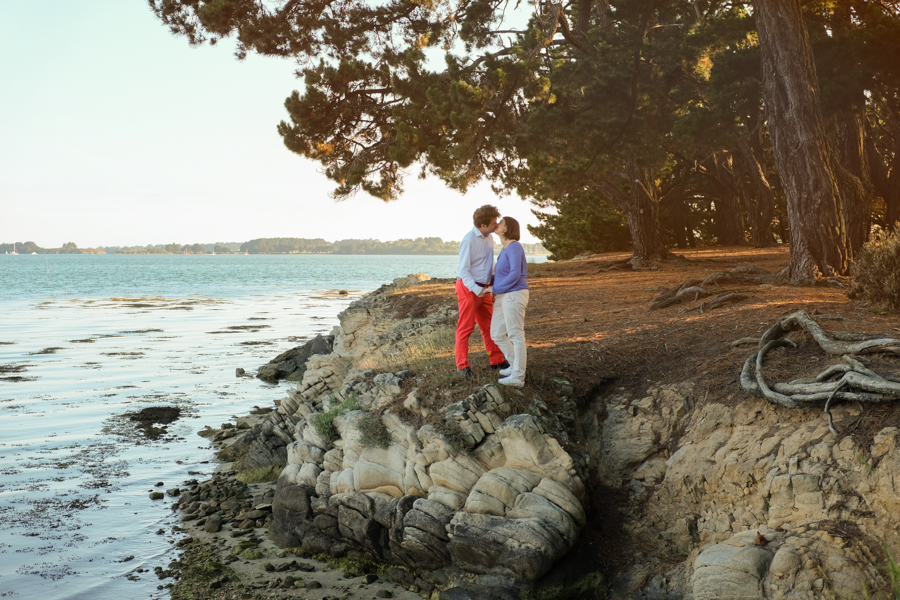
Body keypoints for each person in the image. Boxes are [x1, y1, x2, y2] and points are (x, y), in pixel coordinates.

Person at [455, 205, 509, 378]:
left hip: (483, 289)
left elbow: (487, 264)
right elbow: (464, 271)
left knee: (490, 326)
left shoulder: (489, 239)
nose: (496, 225)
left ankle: (497, 360)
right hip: (468, 288)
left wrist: (491, 283)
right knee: (466, 328)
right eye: (494, 223)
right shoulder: (468, 240)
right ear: (483, 225)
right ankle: (462, 366)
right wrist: (477, 290)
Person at [490, 216, 529, 387]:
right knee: (497, 333)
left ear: (507, 229)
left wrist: (495, 289)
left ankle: (519, 376)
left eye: (501, 223)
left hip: (514, 294)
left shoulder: (514, 247)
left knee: (516, 335)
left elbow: (515, 274)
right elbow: (501, 275)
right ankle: (514, 365)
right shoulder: (504, 249)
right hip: (503, 296)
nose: (497, 224)